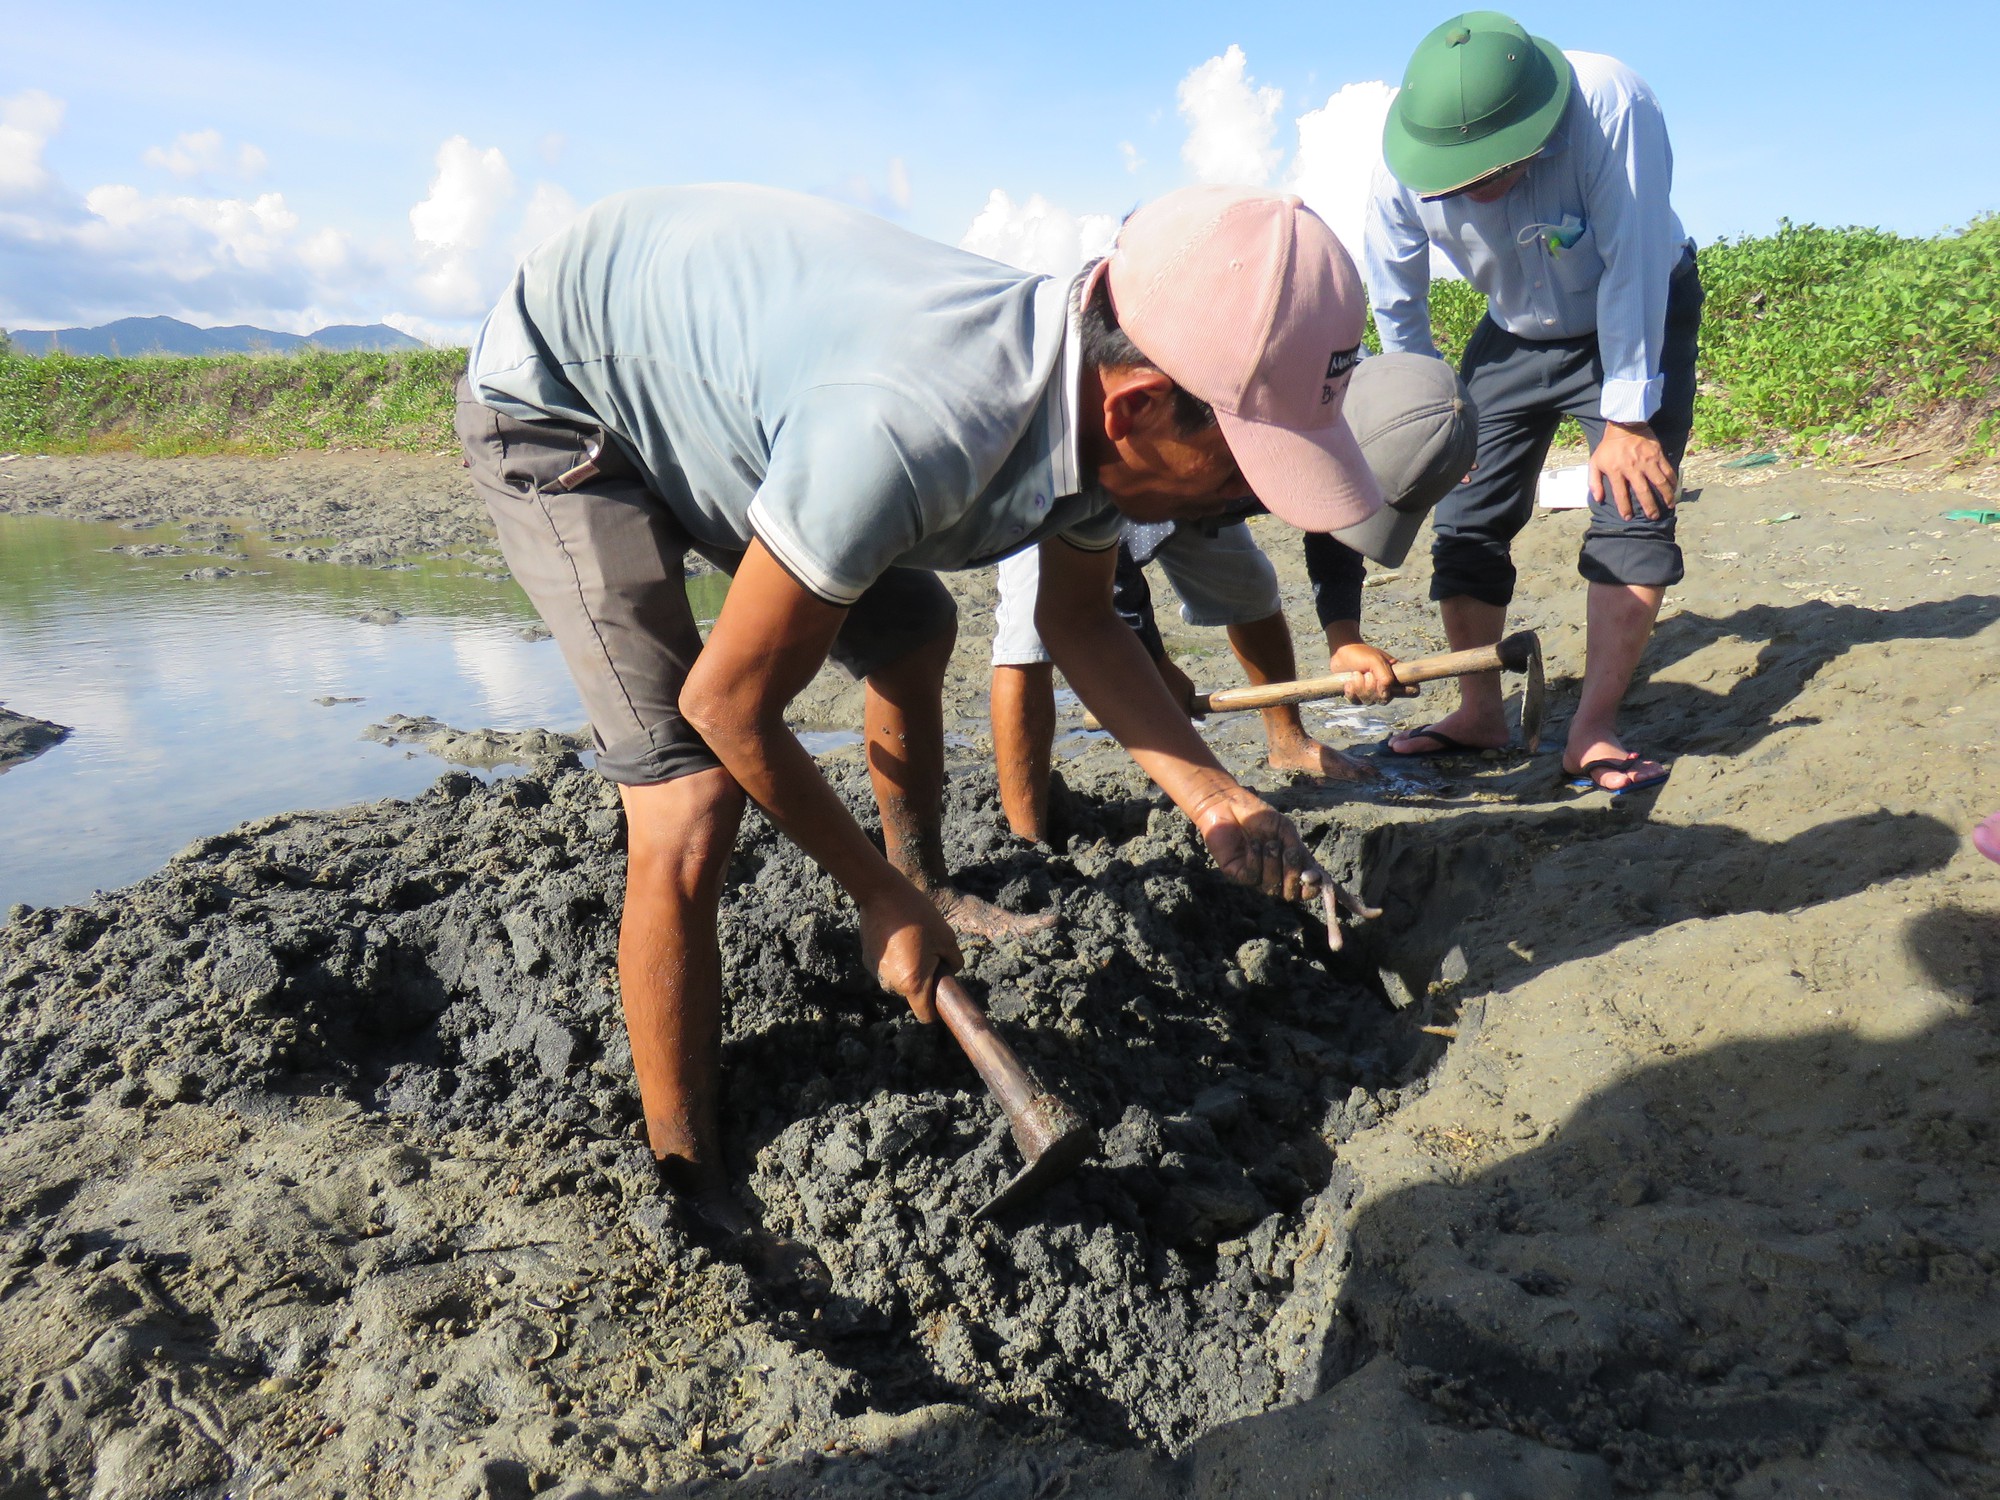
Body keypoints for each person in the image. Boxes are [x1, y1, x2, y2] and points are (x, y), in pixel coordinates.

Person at [457, 182, 1385, 1245]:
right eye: (1240, 472)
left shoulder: (1091, 414)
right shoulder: (915, 426)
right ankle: (688, 1166)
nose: (1243, 503)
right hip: (569, 404)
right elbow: (726, 704)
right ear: (1132, 408)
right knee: (689, 798)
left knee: (909, 632)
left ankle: (931, 877)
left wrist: (1215, 798)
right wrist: (872, 894)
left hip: (739, 406)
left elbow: (1084, 626)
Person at [1366, 11, 1703, 792]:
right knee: (1466, 510)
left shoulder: (1612, 103)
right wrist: (1430, 430)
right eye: (1459, 181)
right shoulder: (1398, 169)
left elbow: (1635, 263)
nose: (1478, 192)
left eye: (1494, 169)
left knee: (1634, 505)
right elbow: (1398, 307)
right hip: (1513, 329)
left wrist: (1625, 418)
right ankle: (1479, 713)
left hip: (1638, 305)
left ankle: (1591, 729)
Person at [990, 352, 1477, 843]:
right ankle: (1026, 840)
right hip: (1101, 466)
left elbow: (1335, 523)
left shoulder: (1358, 401)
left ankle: (1287, 742)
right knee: (1029, 643)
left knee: (1249, 589)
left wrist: (1343, 637)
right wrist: (1152, 662)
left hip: (1212, 484)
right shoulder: (1244, 413)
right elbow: (1107, 561)